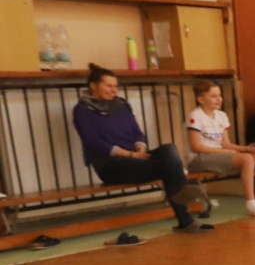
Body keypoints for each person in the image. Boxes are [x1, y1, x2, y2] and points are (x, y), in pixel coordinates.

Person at [70, 63, 211, 233]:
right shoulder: (82, 110)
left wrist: (139, 148)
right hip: (110, 164)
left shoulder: (121, 106)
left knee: (169, 149)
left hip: (135, 158)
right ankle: (184, 210)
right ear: (93, 86)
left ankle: (182, 195)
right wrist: (128, 154)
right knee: (169, 168)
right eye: (108, 86)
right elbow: (93, 142)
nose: (114, 90)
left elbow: (137, 132)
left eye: (115, 86)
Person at [186, 79, 255, 218]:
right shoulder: (196, 116)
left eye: (219, 95)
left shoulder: (221, 115)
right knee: (247, 159)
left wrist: (246, 148)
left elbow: (226, 144)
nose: (219, 99)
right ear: (201, 99)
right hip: (200, 158)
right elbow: (196, 146)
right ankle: (251, 204)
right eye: (213, 96)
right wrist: (226, 152)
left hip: (219, 155)